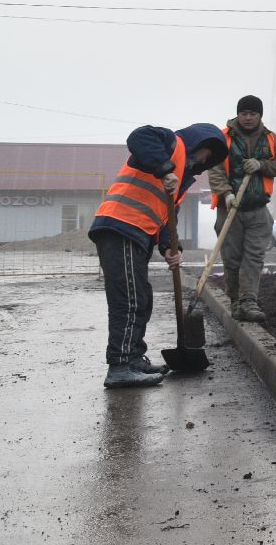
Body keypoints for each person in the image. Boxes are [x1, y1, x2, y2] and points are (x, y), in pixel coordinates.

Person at [89, 123, 228, 387]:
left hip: (137, 235)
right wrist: (165, 169)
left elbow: (168, 218)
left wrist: (169, 249)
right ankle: (119, 367)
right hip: (120, 226)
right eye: (205, 153)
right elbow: (138, 137)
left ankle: (133, 358)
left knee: (141, 298)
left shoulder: (180, 182)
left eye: (208, 160)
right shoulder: (169, 143)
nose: (203, 160)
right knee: (128, 300)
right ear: (198, 142)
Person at [206, 95, 276, 323]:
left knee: (254, 258)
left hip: (258, 209)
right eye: (244, 113)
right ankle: (235, 302)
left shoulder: (271, 139)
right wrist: (226, 193)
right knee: (232, 259)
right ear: (238, 114)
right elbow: (214, 170)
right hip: (229, 208)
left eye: (253, 113)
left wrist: (261, 165)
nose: (249, 117)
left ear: (260, 115)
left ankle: (249, 302)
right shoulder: (223, 138)